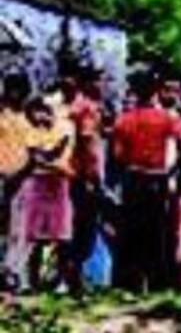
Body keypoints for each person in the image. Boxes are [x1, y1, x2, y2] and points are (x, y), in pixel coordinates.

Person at [107, 76, 181, 293]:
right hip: (158, 178)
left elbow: (117, 155)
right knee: (158, 235)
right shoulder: (167, 119)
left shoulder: (124, 120)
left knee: (129, 235)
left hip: (133, 178)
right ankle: (158, 284)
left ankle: (126, 284)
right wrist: (174, 169)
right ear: (155, 93)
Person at [6, 92, 75, 291]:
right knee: (32, 234)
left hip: (59, 183)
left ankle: (61, 280)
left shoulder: (65, 126)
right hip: (37, 183)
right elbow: (40, 156)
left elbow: (54, 154)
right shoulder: (30, 131)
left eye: (38, 113)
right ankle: (30, 280)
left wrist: (48, 160)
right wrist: (50, 161)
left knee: (62, 234)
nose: (36, 119)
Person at [59, 67, 106, 293]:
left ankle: (71, 274)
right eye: (97, 81)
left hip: (75, 174)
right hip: (84, 175)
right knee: (84, 225)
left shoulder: (75, 107)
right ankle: (72, 274)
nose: (101, 86)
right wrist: (91, 176)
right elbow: (86, 143)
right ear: (86, 84)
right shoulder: (87, 109)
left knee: (78, 224)